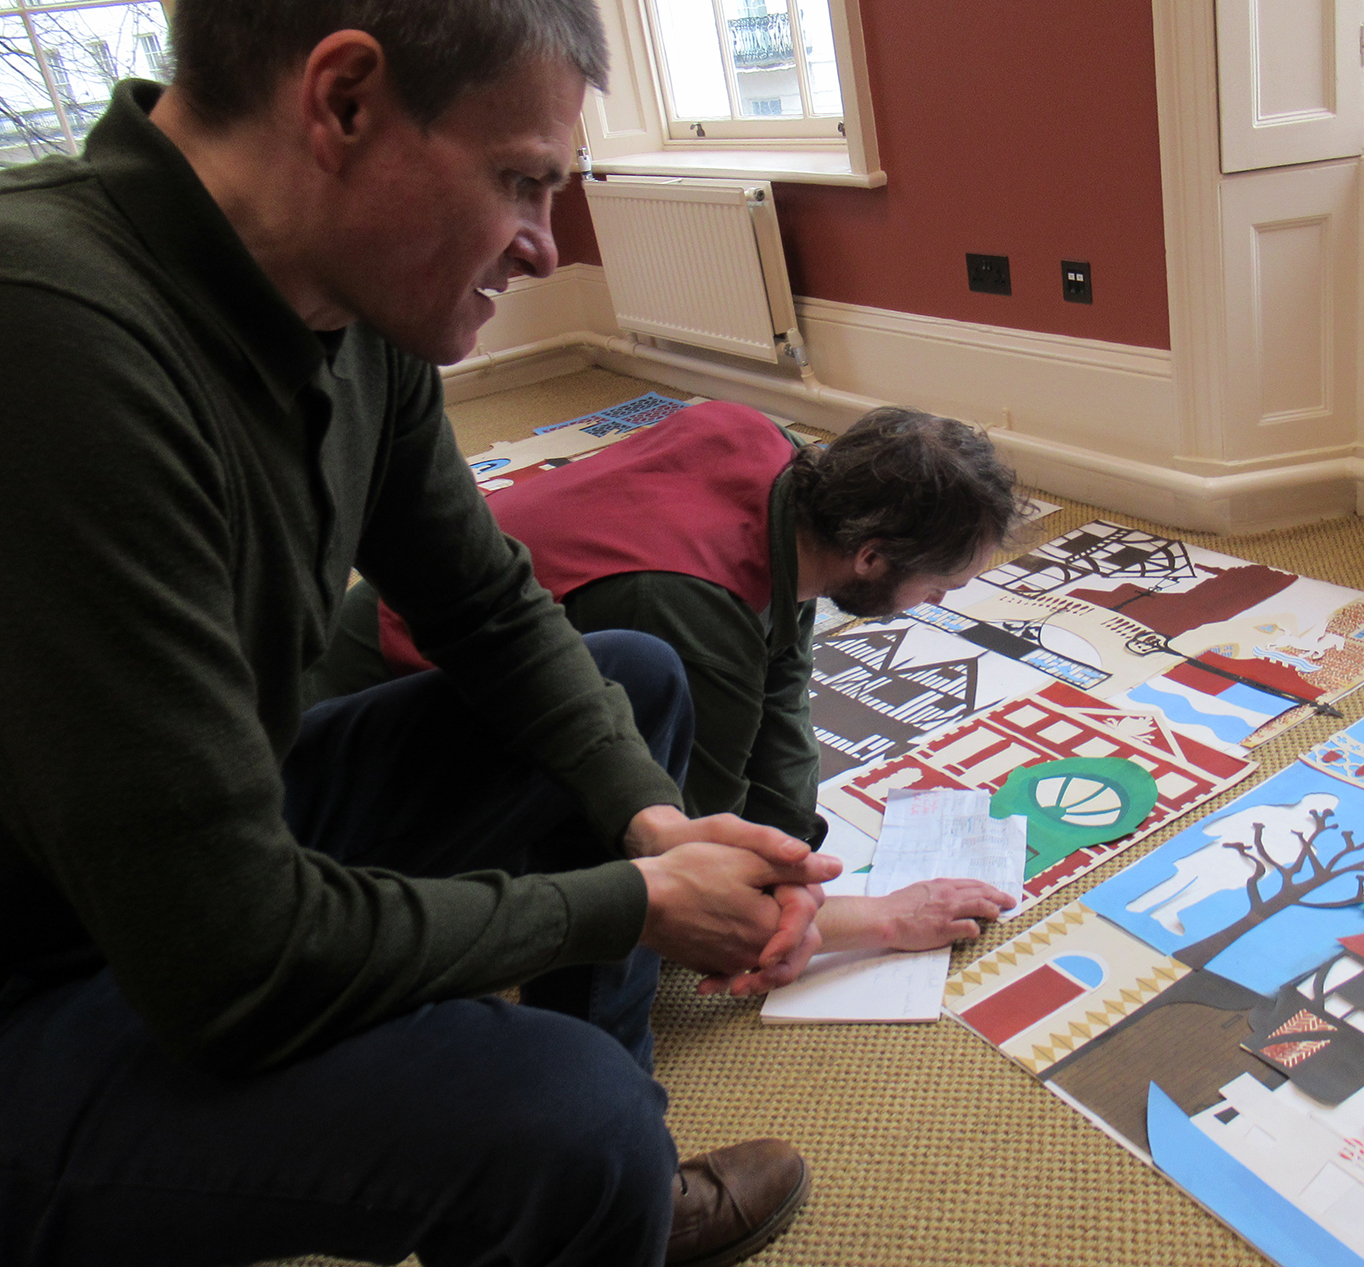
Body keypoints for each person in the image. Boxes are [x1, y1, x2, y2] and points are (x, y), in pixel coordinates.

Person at [0, 2, 858, 1263]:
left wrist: (652, 822)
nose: (547, 250)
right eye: (523, 181)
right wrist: (628, 901)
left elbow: (487, 606)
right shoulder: (50, 334)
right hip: (48, 967)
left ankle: (612, 1205)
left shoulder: (346, 312)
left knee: (634, 683)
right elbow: (231, 965)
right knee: (572, 1126)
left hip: (164, 850)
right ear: (343, 101)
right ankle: (599, 1174)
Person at [311, 400, 1027, 962]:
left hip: (397, 635)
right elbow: (690, 867)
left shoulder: (768, 452)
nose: (939, 603)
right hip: (364, 727)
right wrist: (874, 917)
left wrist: (790, 845)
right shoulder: (689, 608)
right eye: (941, 585)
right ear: (871, 557)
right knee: (613, 846)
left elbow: (782, 674)